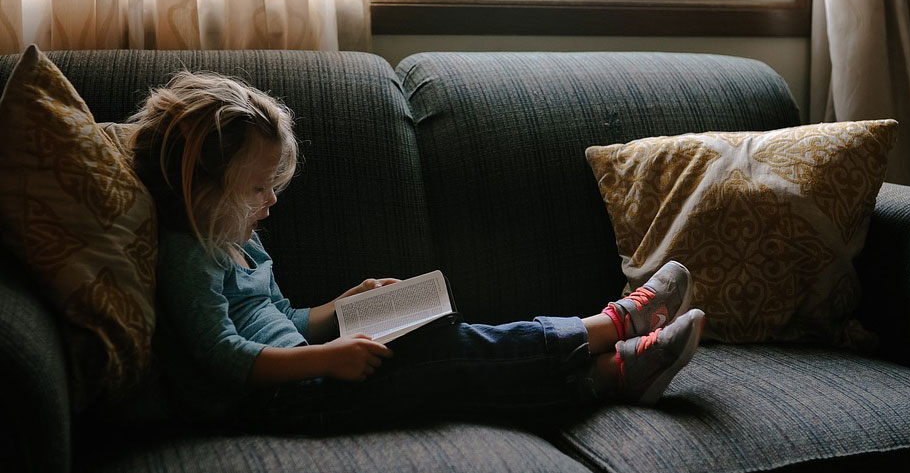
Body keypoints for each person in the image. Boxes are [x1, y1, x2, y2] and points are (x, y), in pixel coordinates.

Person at [127, 70, 705, 431]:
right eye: (256, 188)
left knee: (445, 346)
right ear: (202, 188)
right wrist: (328, 357)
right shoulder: (188, 255)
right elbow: (225, 355)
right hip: (286, 401)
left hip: (307, 372)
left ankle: (613, 373)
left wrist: (340, 307)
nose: (270, 202)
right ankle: (614, 325)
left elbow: (283, 320)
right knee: (445, 354)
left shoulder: (238, 238)